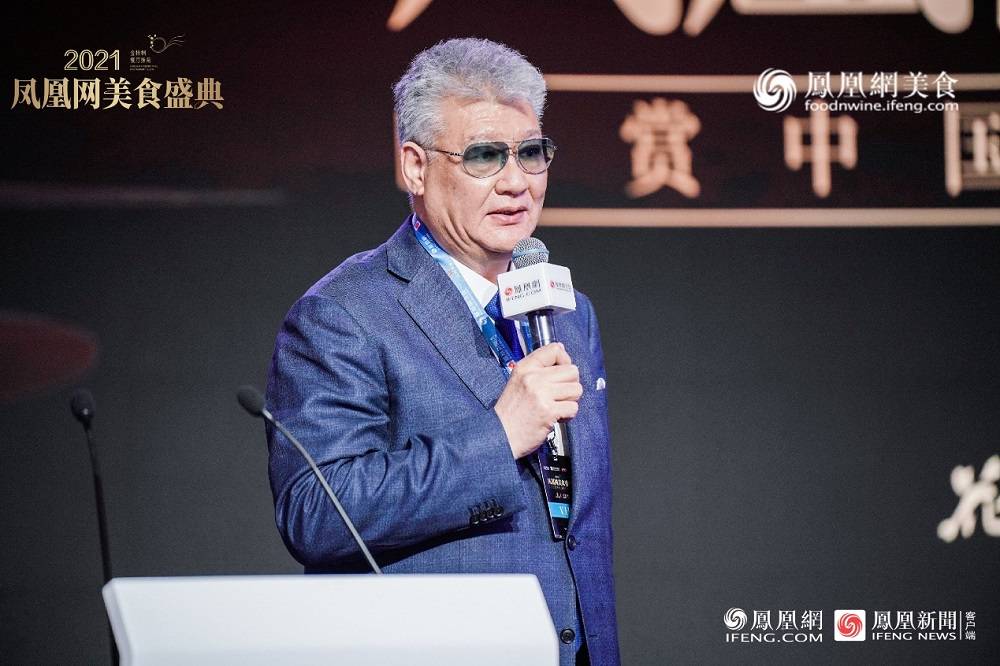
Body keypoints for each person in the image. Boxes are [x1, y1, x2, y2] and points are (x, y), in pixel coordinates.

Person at [266, 37, 619, 666]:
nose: (517, 182)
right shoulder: (344, 312)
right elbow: (316, 513)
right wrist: (499, 437)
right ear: (415, 167)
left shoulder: (568, 312)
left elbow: (573, 524)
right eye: (484, 156)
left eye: (530, 153)